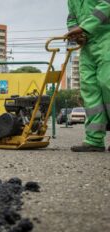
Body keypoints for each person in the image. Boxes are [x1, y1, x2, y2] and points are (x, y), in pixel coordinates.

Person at [66, 0, 110, 152]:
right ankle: (94, 139)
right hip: (87, 46)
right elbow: (71, 18)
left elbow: (107, 5)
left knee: (107, 84)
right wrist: (76, 33)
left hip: (107, 39)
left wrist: (84, 28)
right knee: (89, 90)